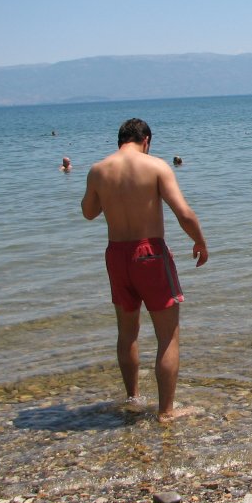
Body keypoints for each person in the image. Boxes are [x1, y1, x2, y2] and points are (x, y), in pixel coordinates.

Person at [81, 118, 209, 422]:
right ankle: (166, 412)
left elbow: (88, 212)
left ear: (120, 141)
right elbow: (183, 212)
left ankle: (133, 399)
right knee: (168, 337)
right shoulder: (156, 166)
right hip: (149, 253)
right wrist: (200, 242)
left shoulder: (98, 170)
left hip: (116, 255)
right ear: (146, 140)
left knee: (127, 334)